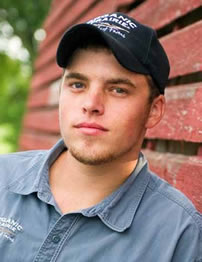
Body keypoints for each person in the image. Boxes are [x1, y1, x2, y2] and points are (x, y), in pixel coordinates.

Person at [0, 12, 201, 262]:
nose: (91, 104)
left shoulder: (180, 236)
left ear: (154, 110)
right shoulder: (3, 177)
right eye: (77, 85)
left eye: (118, 89)